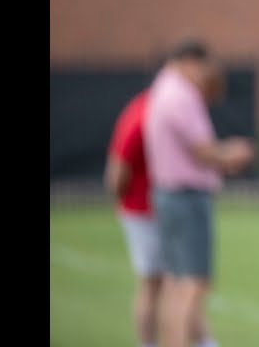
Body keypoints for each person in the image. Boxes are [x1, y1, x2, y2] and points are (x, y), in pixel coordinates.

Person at [144, 38, 257, 347]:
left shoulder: (161, 90)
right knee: (191, 282)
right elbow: (202, 150)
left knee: (175, 282)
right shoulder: (179, 95)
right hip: (185, 196)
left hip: (169, 194)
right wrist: (232, 153)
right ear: (192, 62)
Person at [105, 87, 163, 347]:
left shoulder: (156, 110)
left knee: (171, 283)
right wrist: (124, 205)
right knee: (151, 283)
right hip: (142, 212)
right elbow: (117, 170)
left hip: (157, 211)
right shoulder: (143, 115)